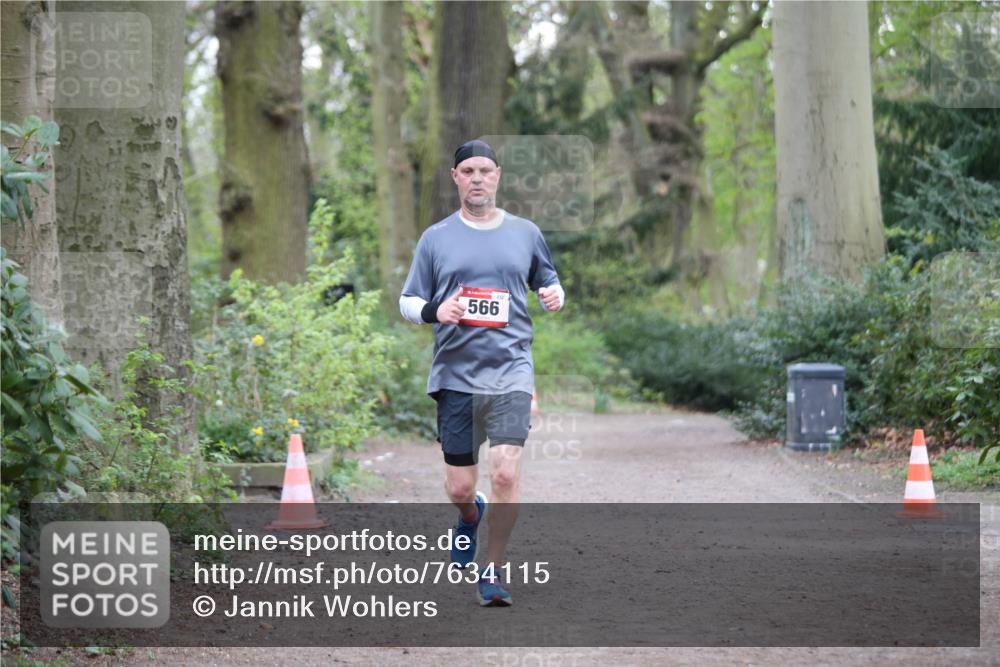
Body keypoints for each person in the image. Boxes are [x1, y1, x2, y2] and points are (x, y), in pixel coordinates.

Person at [399, 139, 564, 607]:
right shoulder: (435, 238)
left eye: (485, 170)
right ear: (456, 177)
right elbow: (407, 301)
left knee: (506, 472)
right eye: (468, 170)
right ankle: (470, 517)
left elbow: (548, 281)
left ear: (498, 176)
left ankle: (490, 571)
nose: (477, 178)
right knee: (460, 487)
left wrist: (555, 296)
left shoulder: (526, 233)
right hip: (454, 374)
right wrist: (437, 310)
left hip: (511, 369)